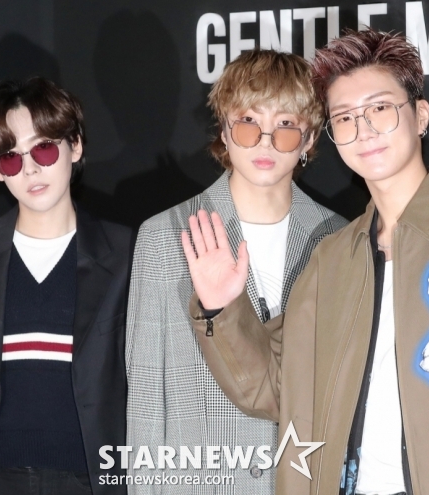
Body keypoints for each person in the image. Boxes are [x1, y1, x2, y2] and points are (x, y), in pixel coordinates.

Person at [184, 29, 429, 495]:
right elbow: (280, 388)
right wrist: (221, 309)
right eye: (345, 117)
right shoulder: (331, 259)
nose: (363, 129)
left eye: (380, 109)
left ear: (420, 115)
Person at [126, 49, 347, 494]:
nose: (265, 141)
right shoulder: (165, 237)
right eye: (248, 122)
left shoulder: (338, 240)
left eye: (285, 125)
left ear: (308, 138)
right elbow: (146, 399)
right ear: (224, 130)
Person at [0, 77, 133, 495]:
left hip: (92, 483)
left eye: (43, 148)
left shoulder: (129, 255)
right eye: (10, 158)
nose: (30, 169)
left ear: (74, 146)